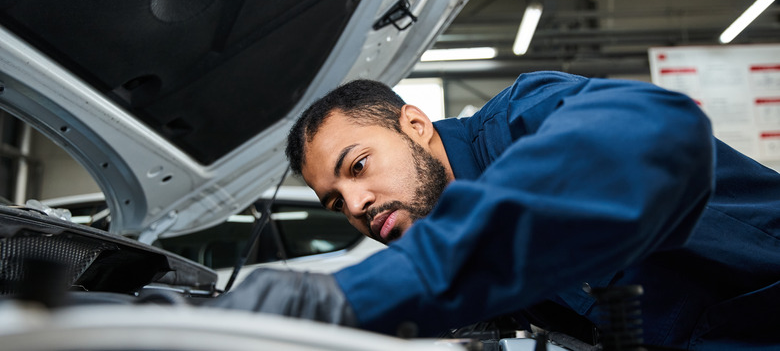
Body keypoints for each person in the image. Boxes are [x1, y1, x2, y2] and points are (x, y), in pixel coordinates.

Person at [209, 71, 780, 350]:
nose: (355, 205)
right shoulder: (455, 258)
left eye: (357, 167)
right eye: (335, 202)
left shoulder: (522, 122)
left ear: (415, 124)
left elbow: (656, 124)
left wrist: (347, 296)